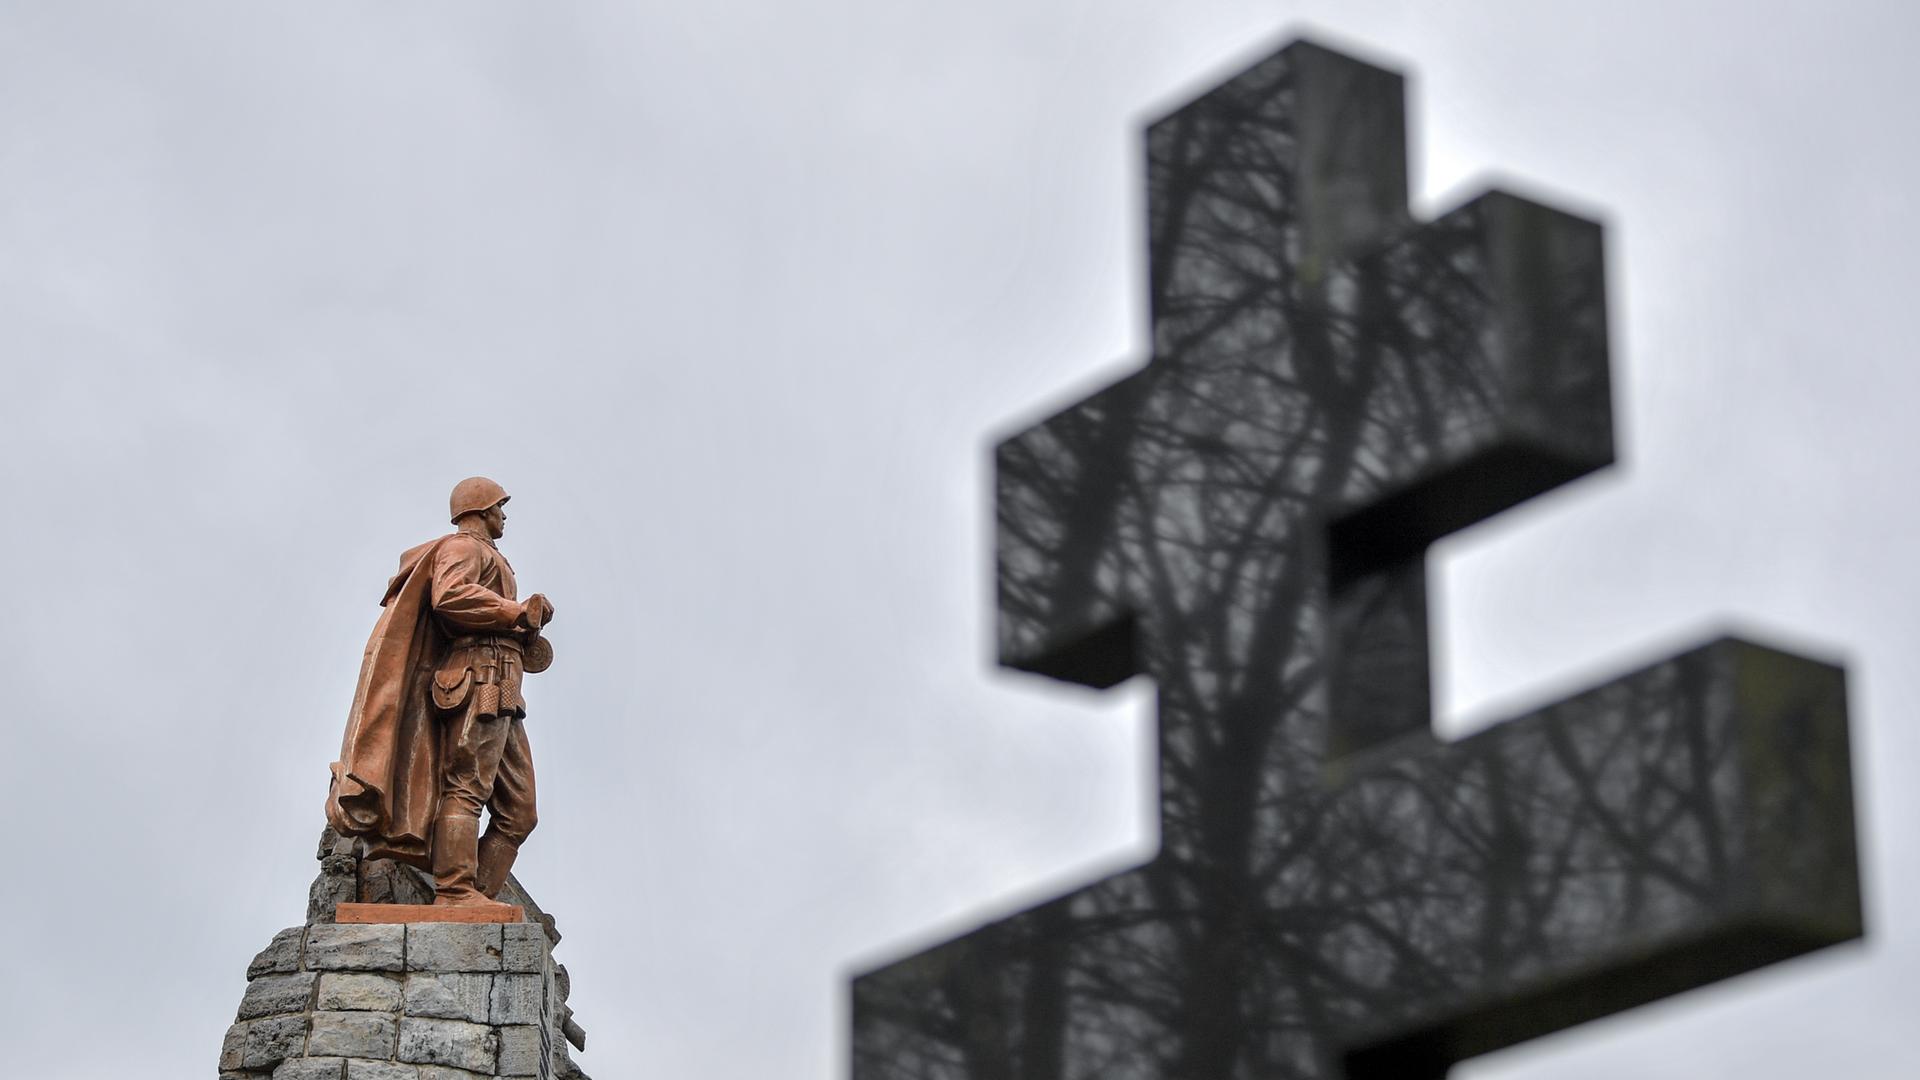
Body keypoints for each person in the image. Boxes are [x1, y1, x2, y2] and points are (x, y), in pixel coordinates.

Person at [326, 477, 555, 908]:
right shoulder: (464, 548)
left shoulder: (490, 555)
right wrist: (515, 611)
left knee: (520, 812)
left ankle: (471, 898)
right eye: (500, 506)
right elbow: (450, 597)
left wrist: (524, 627)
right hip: (477, 678)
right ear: (482, 508)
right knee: (466, 786)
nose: (504, 515)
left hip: (504, 682)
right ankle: (454, 892)